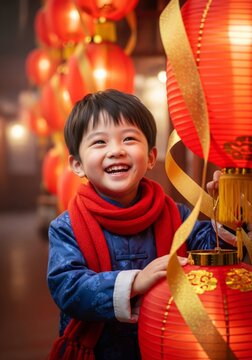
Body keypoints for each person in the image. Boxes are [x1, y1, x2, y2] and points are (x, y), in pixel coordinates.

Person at [47, 89, 236, 360]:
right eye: (100, 142)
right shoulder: (67, 227)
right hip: (100, 352)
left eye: (129, 139)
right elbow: (69, 287)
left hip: (169, 345)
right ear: (77, 165)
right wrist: (135, 282)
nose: (116, 150)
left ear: (150, 157)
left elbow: (218, 252)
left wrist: (229, 209)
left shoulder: (175, 215)